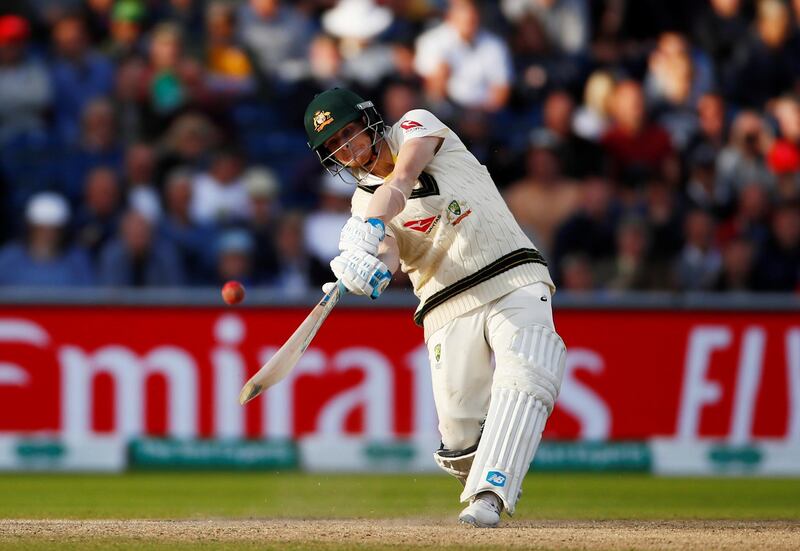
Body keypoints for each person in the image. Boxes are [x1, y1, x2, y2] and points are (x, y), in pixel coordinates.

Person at [302, 88, 566, 527]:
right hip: (445, 305)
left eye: (349, 133)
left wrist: (368, 223)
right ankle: (483, 469)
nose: (347, 149)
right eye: (334, 146)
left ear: (367, 120)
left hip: (511, 274)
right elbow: (389, 252)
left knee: (528, 367)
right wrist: (370, 270)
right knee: (460, 436)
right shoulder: (361, 202)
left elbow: (402, 179)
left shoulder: (414, 126)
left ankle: (489, 496)